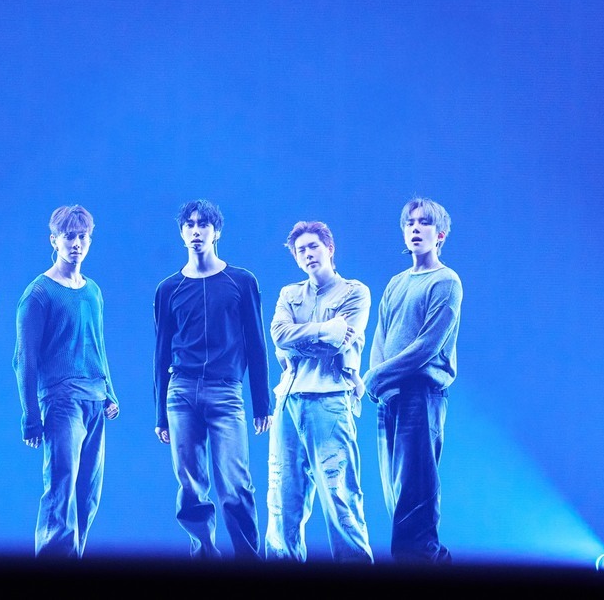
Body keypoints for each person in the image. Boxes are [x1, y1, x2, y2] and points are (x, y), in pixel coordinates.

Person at [153, 198, 271, 561]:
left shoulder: (241, 281)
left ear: (216, 231)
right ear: (181, 233)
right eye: (189, 225)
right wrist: (160, 413)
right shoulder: (168, 289)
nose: (196, 231)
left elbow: (256, 343)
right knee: (190, 488)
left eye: (203, 224)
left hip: (226, 392)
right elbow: (160, 352)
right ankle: (204, 557)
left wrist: (262, 402)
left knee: (235, 487)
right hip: (181, 394)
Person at [13, 204, 121, 558]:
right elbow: (24, 359)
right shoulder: (38, 294)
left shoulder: (93, 291)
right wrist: (31, 417)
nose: (76, 243)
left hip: (94, 399)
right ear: (54, 240)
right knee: (61, 488)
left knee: (88, 495)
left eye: (82, 237)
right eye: (69, 236)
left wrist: (109, 392)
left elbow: (97, 344)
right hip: (61, 402)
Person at [265, 221, 374, 563]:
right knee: (282, 499)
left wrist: (299, 341)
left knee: (340, 495)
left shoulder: (355, 292)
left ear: (329, 248)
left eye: (313, 246)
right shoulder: (289, 294)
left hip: (330, 400)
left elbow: (339, 342)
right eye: (301, 250)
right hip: (288, 400)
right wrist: (325, 329)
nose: (308, 254)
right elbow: (279, 336)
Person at [363, 196, 463, 564]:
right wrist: (378, 382)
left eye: (424, 222)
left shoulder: (446, 281)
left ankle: (426, 565)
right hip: (390, 397)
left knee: (416, 494)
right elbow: (380, 337)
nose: (415, 228)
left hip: (422, 396)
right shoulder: (395, 283)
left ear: (440, 235)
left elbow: (427, 346)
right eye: (410, 223)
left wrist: (376, 376)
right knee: (396, 494)